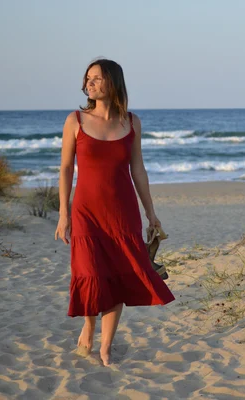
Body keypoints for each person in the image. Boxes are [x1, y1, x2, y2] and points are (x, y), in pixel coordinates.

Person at [54, 58, 175, 366]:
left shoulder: (131, 122)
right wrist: (63, 214)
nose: (90, 83)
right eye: (87, 79)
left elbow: (138, 169)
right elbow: (66, 168)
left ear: (113, 82)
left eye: (97, 78)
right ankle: (90, 323)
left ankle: (106, 346)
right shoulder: (75, 120)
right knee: (90, 273)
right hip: (86, 213)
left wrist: (151, 214)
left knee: (118, 277)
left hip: (122, 212)